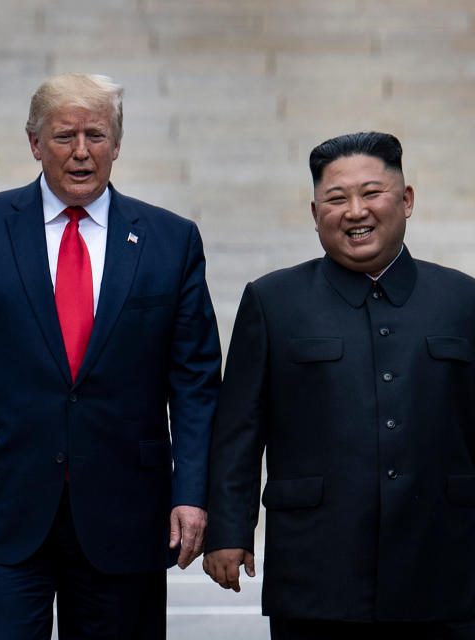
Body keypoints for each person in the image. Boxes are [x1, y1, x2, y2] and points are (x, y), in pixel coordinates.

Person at [0, 73, 221, 639]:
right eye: (65, 136)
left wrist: (192, 495)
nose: (82, 152)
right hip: (3, 502)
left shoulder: (171, 239)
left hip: (126, 509)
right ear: (35, 143)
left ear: (117, 143)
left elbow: (194, 384)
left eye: (97, 134)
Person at [203, 131, 475, 639]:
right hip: (316, 572)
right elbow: (239, 429)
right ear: (314, 212)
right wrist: (229, 530)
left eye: (371, 193)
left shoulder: (463, 299)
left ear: (406, 200)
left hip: (444, 565)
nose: (355, 211)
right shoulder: (273, 301)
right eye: (336, 198)